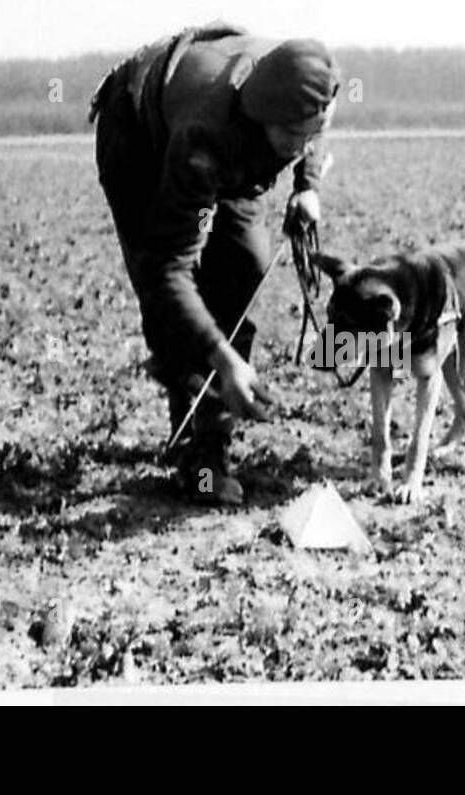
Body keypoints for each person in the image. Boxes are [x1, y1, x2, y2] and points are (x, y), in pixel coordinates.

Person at [90, 22, 340, 505]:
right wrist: (224, 358)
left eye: (306, 131)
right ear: (263, 118)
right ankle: (199, 454)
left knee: (247, 263)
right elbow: (169, 269)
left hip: (228, 140)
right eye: (291, 135)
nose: (300, 142)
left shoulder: (307, 81)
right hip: (139, 135)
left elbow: (321, 116)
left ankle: (211, 414)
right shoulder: (205, 138)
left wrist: (307, 185)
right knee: (165, 294)